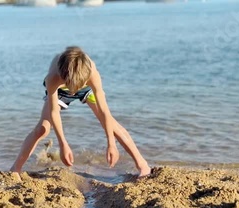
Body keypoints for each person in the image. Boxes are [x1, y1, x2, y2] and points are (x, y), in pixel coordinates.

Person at [10, 46, 151, 177]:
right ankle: (15, 169)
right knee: (42, 129)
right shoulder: (53, 78)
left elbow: (104, 111)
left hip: (86, 88)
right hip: (61, 89)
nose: (74, 91)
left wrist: (111, 144)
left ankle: (142, 165)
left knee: (112, 125)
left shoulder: (92, 74)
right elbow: (54, 112)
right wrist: (63, 144)